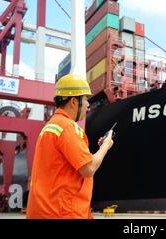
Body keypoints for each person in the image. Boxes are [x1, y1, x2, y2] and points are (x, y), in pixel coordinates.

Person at [26, 74, 114, 219]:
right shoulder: (67, 127)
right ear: (73, 101)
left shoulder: (51, 126)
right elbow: (88, 168)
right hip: (61, 213)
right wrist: (105, 146)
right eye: (85, 99)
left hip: (45, 211)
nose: (88, 105)